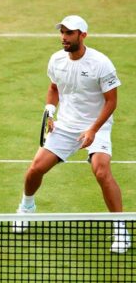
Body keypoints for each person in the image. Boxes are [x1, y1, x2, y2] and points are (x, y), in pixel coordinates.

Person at [11, 15, 130, 253]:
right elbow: (54, 88)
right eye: (62, 32)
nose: (64, 37)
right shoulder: (56, 60)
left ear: (82, 35)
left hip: (97, 124)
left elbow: (111, 102)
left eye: (69, 33)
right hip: (65, 125)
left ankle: (120, 228)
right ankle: (26, 208)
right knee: (35, 168)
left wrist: (93, 130)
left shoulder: (101, 63)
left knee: (101, 170)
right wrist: (49, 111)